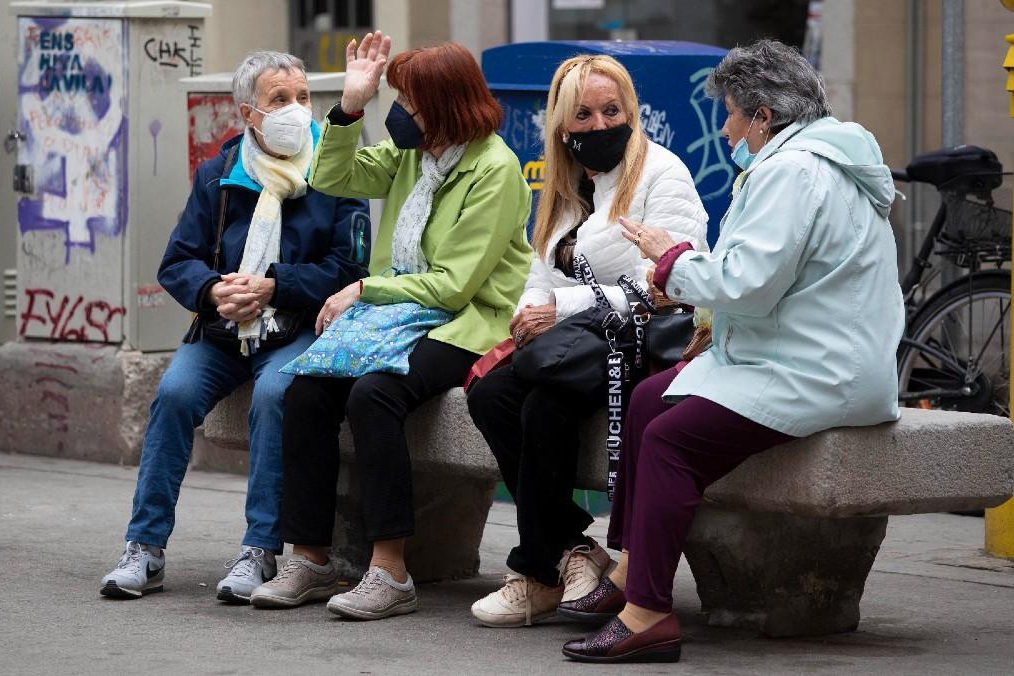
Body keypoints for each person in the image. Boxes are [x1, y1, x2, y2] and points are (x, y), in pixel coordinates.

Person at [560, 39, 904, 663]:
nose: (723, 129)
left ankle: (648, 613)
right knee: (645, 401)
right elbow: (777, 277)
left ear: (764, 116)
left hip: (817, 371)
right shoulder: (813, 160)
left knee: (670, 440)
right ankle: (628, 572)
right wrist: (701, 299)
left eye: (731, 114)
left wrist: (669, 259)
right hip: (796, 354)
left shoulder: (792, 172)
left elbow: (747, 281)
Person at [247, 33, 533, 620]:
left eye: (408, 102)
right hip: (394, 314)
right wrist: (350, 108)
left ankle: (390, 570)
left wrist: (360, 289)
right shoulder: (414, 155)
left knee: (374, 393)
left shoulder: (495, 170)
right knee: (308, 390)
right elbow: (332, 175)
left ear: (446, 106)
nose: (398, 113)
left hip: (461, 322)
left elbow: (453, 285)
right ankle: (311, 557)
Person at [99, 52, 370, 603]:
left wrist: (275, 285)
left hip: (294, 327)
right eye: (279, 100)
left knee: (274, 395)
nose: (296, 110)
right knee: (173, 395)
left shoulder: (337, 168)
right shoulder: (221, 173)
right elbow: (177, 262)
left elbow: (351, 268)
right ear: (250, 113)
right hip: (223, 331)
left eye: (303, 97)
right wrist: (213, 290)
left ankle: (259, 550)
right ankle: (144, 547)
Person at [465, 54, 707, 628]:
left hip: (637, 341)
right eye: (584, 114)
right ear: (561, 126)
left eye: (611, 110)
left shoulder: (662, 172)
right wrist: (529, 313)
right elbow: (538, 273)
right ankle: (573, 549)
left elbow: (669, 281)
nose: (600, 125)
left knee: (544, 407)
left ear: (631, 112)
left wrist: (558, 308)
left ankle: (535, 570)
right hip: (576, 342)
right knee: (488, 395)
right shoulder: (564, 183)